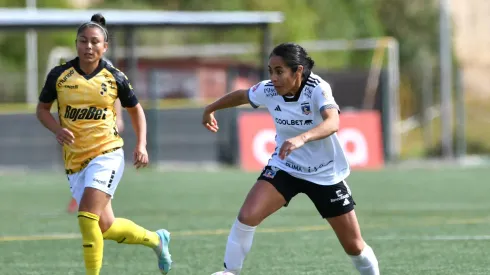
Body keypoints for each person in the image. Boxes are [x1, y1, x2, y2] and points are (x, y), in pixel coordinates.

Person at [202, 43, 380, 275]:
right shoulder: (269, 90)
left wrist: (301, 139)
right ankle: (230, 272)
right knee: (247, 216)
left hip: (324, 174)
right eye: (270, 71)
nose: (273, 78)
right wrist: (211, 108)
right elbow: (242, 96)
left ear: (297, 71)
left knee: (354, 246)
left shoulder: (318, 88)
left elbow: (333, 123)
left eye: (279, 71)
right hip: (286, 167)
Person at [36, 13, 172, 275]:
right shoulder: (59, 75)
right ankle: (157, 239)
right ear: (76, 43)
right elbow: (42, 110)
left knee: (87, 217)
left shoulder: (114, 77)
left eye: (95, 42)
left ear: (104, 47)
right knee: (104, 226)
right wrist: (57, 129)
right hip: (75, 160)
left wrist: (141, 145)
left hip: (107, 154)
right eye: (83, 41)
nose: (89, 46)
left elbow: (136, 110)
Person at [67, 98, 124, 213]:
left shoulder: (107, 81)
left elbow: (116, 93)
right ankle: (81, 196)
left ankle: (85, 197)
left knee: (96, 217)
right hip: (78, 132)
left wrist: (118, 117)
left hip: (102, 135)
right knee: (105, 222)